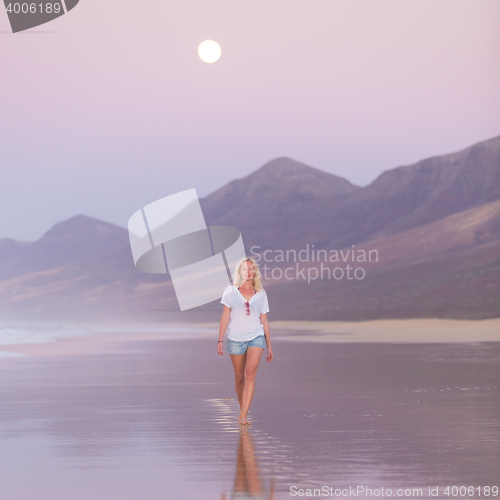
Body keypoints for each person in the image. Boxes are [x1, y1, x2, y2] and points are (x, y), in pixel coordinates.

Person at [217, 257, 273, 426]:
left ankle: (243, 416)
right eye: (244, 269)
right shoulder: (230, 291)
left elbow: (264, 320)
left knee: (250, 374)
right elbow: (225, 315)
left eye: (251, 269)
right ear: (239, 272)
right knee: (239, 378)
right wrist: (220, 339)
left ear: (254, 272)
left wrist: (269, 345)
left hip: (256, 337)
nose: (248, 272)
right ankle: (243, 409)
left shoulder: (261, 294)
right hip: (235, 339)